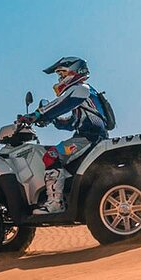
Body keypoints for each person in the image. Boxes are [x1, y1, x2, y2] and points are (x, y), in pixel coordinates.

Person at [17, 57, 110, 214]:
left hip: (88, 138)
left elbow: (59, 104)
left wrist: (36, 115)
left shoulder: (81, 88)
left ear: (73, 71)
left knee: (51, 156)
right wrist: (54, 121)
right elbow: (72, 122)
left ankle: (54, 203)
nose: (59, 78)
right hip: (90, 137)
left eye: (61, 74)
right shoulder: (88, 93)